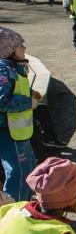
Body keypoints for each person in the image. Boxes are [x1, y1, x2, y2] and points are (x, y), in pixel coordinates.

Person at [0, 28, 40, 201]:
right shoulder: (4, 72)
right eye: (20, 45)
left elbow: (17, 90)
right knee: (18, 172)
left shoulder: (16, 68)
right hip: (9, 133)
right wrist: (28, 102)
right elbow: (1, 101)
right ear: (8, 50)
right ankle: (14, 211)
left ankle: (28, 205)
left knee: (29, 167)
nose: (24, 48)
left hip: (21, 132)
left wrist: (31, 94)